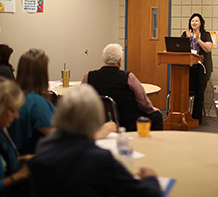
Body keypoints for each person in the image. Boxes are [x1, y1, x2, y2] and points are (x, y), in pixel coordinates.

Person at [27, 84, 162, 197]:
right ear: (95, 118)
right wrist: (151, 178)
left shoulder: (43, 148)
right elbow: (147, 193)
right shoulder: (99, 159)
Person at [82, 43, 163, 131]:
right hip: (128, 124)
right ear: (120, 61)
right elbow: (143, 103)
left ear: (104, 59)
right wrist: (153, 109)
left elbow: (81, 100)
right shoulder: (128, 77)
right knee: (156, 116)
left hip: (98, 122)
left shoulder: (88, 77)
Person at [8, 48, 55, 155]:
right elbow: (54, 135)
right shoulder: (36, 102)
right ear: (41, 74)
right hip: (38, 159)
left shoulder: (15, 96)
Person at [0, 77, 31, 196]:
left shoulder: (3, 130)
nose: (17, 116)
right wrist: (20, 175)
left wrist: (23, 159)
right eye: (13, 111)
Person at [181, 13, 213, 124]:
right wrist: (187, 39)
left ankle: (196, 119)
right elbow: (179, 49)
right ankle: (182, 115)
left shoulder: (205, 34)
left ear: (201, 23)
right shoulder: (186, 34)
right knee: (183, 90)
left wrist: (198, 40)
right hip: (187, 67)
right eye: (192, 21)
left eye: (196, 21)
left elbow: (208, 49)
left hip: (201, 68)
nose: (194, 23)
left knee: (199, 93)